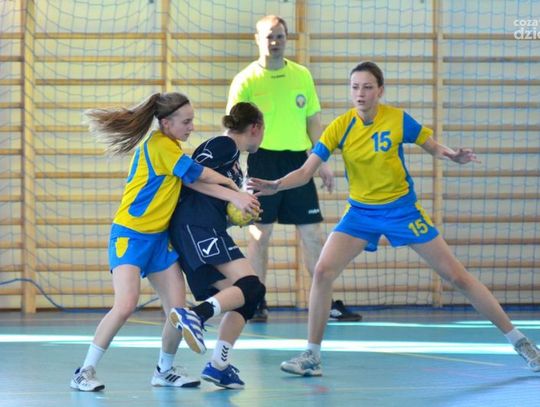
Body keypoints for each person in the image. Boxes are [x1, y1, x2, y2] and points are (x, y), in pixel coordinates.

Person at [249, 61, 540, 376]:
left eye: (367, 87)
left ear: (380, 90)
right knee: (322, 271)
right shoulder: (340, 126)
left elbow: (432, 146)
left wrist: (452, 155)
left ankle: (522, 343)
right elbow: (307, 171)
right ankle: (312, 356)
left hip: (402, 210)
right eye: (355, 87)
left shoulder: (398, 119)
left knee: (458, 277)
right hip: (360, 213)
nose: (360, 93)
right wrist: (276, 185)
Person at [70, 92, 259, 392]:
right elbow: (196, 174)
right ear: (166, 122)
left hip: (159, 239)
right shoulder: (159, 146)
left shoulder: (172, 146)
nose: (191, 127)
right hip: (130, 235)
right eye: (186, 122)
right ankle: (84, 371)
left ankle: (164, 370)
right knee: (125, 304)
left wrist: (233, 194)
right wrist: (232, 188)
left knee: (177, 309)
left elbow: (195, 178)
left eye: (192, 121)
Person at [227, 14, 361, 322]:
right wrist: (231, 171)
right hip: (262, 162)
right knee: (259, 236)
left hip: (299, 163)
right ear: (257, 39)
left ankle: (326, 303)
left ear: (287, 39)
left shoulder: (302, 75)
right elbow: (234, 131)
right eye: (269, 36)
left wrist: (321, 161)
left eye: (280, 36)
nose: (275, 42)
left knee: (313, 235)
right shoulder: (246, 80)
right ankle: (256, 302)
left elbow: (313, 122)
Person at [167, 102, 267, 389]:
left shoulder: (235, 162)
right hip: (195, 226)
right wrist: (235, 197)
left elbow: (216, 197)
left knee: (250, 295)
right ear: (255, 127)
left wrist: (239, 212)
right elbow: (189, 178)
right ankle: (195, 316)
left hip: (207, 227)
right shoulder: (224, 145)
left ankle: (219, 365)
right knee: (251, 286)